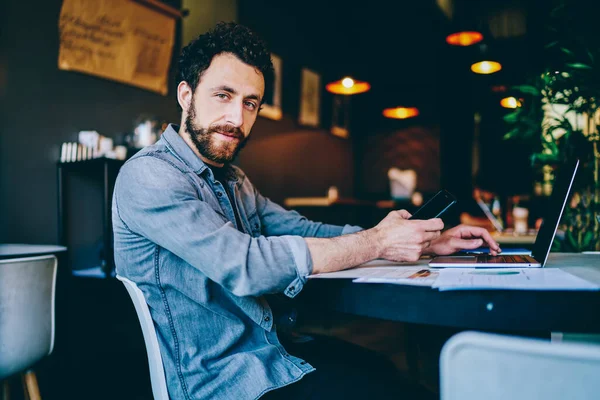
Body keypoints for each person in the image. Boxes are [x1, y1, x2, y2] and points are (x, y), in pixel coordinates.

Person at [112, 22, 501, 400]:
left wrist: (421, 241)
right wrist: (379, 241)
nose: (237, 118)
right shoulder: (149, 175)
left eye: (250, 103)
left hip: (271, 353)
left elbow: (305, 228)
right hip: (224, 382)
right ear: (186, 95)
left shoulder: (233, 179)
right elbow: (246, 265)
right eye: (223, 95)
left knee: (387, 373)